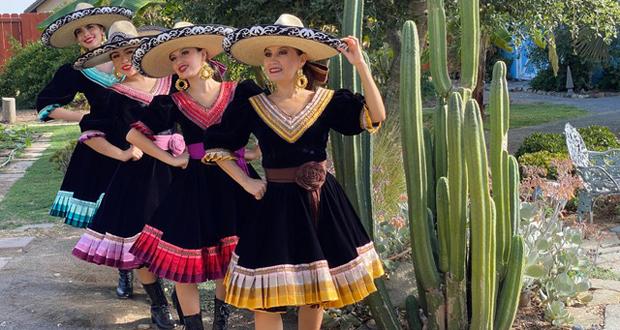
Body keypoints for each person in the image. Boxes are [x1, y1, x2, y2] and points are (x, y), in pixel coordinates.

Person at [202, 14, 386, 330]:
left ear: (301, 58)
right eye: (268, 53)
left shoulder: (326, 101)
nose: (272, 60)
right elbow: (217, 148)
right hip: (274, 207)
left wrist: (360, 65)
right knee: (268, 299)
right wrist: (247, 182)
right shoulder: (252, 104)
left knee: (315, 293)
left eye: (282, 52)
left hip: (321, 202)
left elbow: (376, 115)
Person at [127, 22, 261, 330]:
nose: (178, 61)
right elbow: (134, 135)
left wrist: (255, 153)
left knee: (231, 262)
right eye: (173, 57)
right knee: (182, 265)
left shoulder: (241, 91)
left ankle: (221, 325)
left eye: (185, 52)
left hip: (237, 185)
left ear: (204, 53)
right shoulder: (171, 102)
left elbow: (270, 120)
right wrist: (171, 160)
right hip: (193, 186)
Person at [70, 21, 183, 329]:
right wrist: (121, 153)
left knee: (181, 240)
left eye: (131, 51)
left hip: (178, 173)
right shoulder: (112, 96)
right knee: (141, 244)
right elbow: (91, 134)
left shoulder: (172, 84)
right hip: (138, 179)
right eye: (117, 55)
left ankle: (182, 299)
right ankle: (159, 304)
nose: (124, 60)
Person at [37, 2, 133, 228]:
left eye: (90, 27)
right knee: (109, 217)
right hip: (101, 146)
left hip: (139, 140)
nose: (86, 34)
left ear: (102, 29)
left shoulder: (131, 59)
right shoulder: (75, 71)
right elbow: (45, 104)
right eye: (79, 31)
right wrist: (82, 117)